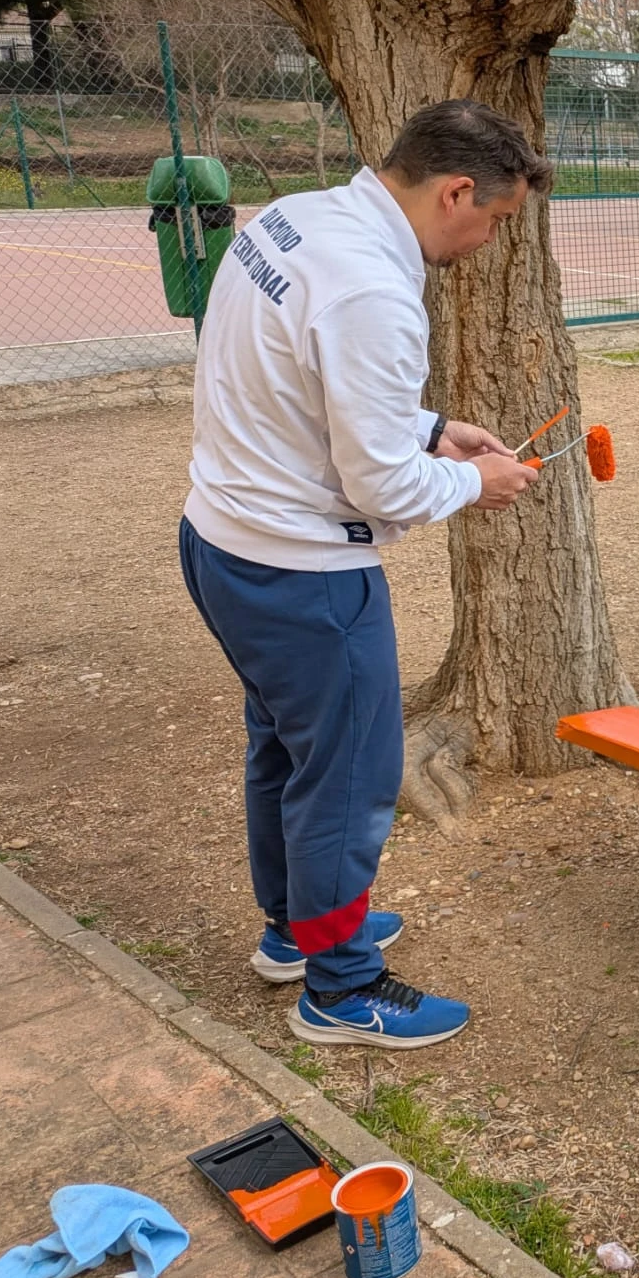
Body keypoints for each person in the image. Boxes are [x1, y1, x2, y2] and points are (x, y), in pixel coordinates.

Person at [180, 99, 551, 1051]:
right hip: (301, 572)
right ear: (457, 190)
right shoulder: (375, 292)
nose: (487, 241)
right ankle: (342, 989)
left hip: (222, 540)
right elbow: (379, 482)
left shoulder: (296, 219)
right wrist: (477, 477)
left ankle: (294, 933)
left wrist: (433, 427)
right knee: (348, 777)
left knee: (286, 749)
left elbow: (306, 384)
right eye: (496, 220)